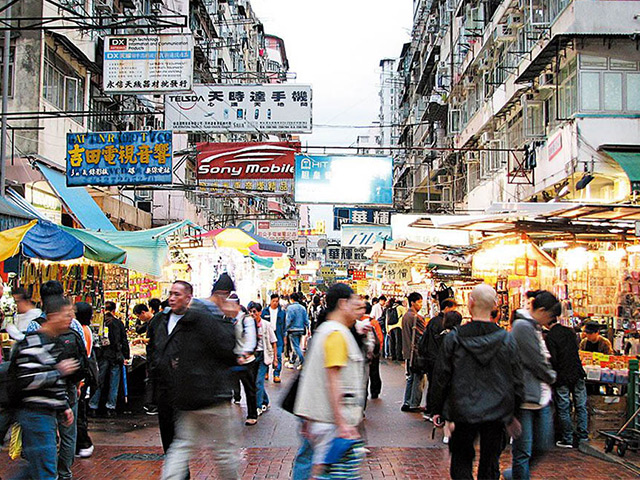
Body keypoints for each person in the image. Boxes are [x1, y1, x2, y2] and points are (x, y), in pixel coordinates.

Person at [431, 284, 523, 480]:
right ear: (495, 307)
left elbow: (441, 376)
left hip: (462, 409)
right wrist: (514, 412)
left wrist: (437, 408)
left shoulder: (454, 338)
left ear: (470, 304)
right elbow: (516, 378)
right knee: (490, 462)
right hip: (497, 411)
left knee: (461, 459)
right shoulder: (506, 339)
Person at [161, 281, 239, 480]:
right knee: (224, 451)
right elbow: (227, 350)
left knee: (181, 445)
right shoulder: (211, 318)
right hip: (212, 395)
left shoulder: (190, 315)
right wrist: (229, 320)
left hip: (187, 395)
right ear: (223, 295)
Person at [294, 284, 366, 479]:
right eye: (354, 303)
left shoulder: (326, 330)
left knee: (322, 471)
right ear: (343, 304)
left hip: (322, 420)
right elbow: (333, 380)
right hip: (331, 422)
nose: (358, 308)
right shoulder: (336, 334)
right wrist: (342, 422)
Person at [11, 295, 80, 480]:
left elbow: (51, 382)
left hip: (45, 415)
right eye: (67, 315)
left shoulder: (52, 342)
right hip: (36, 415)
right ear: (53, 316)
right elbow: (29, 379)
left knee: (36, 470)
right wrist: (58, 372)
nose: (70, 319)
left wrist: (63, 405)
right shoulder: (34, 342)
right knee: (46, 471)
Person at [506, 291, 559, 480]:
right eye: (551, 316)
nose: (550, 321)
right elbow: (535, 360)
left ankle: (514, 474)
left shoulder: (533, 327)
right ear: (543, 310)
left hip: (540, 396)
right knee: (523, 450)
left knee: (542, 444)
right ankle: (518, 475)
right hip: (525, 397)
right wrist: (551, 375)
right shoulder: (523, 326)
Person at [147, 281, 192, 455]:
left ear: (188, 298)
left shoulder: (193, 322)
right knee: (168, 436)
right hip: (163, 387)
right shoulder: (160, 319)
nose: (172, 298)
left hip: (184, 389)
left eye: (177, 295)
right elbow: (152, 346)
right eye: (171, 294)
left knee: (181, 440)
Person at [545, 315, 588, 448]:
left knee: (564, 407)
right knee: (581, 406)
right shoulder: (570, 332)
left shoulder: (550, 336)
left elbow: (554, 359)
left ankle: (567, 438)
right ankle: (583, 436)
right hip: (577, 372)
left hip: (562, 376)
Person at [89, 301, 129, 417]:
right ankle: (110, 408)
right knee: (114, 382)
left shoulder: (99, 323)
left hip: (102, 356)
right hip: (115, 356)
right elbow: (124, 340)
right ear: (114, 310)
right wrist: (125, 356)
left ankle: (93, 406)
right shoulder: (118, 323)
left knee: (98, 381)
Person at [422, 298, 457, 419]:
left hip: (430, 357)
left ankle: (430, 409)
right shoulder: (443, 325)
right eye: (453, 308)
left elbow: (424, 340)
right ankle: (434, 411)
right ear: (447, 308)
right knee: (437, 384)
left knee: (433, 384)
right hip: (437, 358)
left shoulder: (432, 321)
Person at [74, 302, 96, 458]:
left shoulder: (81, 330)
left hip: (81, 378)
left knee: (79, 413)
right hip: (84, 377)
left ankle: (84, 443)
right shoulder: (86, 329)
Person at [248, 302, 277, 415]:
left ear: (260, 312)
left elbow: (273, 341)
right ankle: (265, 400)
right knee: (256, 381)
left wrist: (275, 359)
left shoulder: (266, 325)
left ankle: (258, 406)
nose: (252, 314)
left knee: (259, 382)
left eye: (254, 311)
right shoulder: (248, 325)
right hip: (253, 356)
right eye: (250, 311)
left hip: (264, 355)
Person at [401, 292, 426, 412]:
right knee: (418, 378)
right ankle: (414, 404)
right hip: (415, 352)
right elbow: (422, 336)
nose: (421, 304)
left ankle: (407, 402)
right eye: (419, 302)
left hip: (407, 351)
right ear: (413, 302)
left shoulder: (406, 316)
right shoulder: (416, 317)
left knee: (411, 377)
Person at [133, 303, 158, 415]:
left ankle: (151, 405)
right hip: (151, 356)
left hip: (154, 357)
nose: (139, 319)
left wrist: (142, 340)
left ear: (143, 313)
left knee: (152, 379)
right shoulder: (151, 322)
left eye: (139, 316)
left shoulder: (155, 322)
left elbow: (154, 339)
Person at [261, 294, 286, 383]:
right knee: (266, 353)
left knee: (278, 355)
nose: (275, 303)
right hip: (267, 335)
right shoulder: (265, 312)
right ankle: (266, 372)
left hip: (278, 335)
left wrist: (284, 337)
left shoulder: (282, 312)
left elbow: (284, 325)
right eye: (273, 301)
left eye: (277, 301)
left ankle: (276, 374)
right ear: (270, 301)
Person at [286, 292, 310, 368]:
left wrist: (285, 328)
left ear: (291, 299)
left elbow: (288, 320)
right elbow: (306, 320)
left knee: (295, 347)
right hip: (301, 329)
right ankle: (292, 361)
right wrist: (308, 328)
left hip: (292, 330)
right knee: (296, 346)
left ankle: (302, 361)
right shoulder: (302, 308)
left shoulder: (290, 308)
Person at [367, 303, 384, 399]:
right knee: (374, 372)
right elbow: (379, 337)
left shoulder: (357, 322)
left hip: (363, 353)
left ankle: (363, 393)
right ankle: (375, 392)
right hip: (375, 352)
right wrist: (379, 349)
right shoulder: (374, 322)